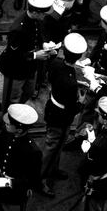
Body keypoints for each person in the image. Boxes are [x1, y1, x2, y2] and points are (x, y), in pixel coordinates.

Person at [40, 32, 87, 197]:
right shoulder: (70, 82)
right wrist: (81, 101)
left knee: (57, 145)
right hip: (61, 117)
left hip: (53, 109)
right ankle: (42, 179)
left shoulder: (57, 63)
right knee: (52, 145)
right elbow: (72, 108)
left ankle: (52, 169)